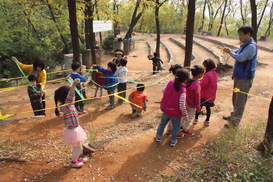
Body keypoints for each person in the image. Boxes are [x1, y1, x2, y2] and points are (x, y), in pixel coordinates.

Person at [222, 26, 258, 128]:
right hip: (239, 77)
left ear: (248, 34)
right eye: (239, 34)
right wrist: (230, 50)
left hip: (245, 78)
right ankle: (233, 116)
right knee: (236, 98)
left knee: (240, 101)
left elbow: (241, 58)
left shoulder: (251, 46)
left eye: (241, 34)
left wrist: (230, 52)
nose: (239, 37)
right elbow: (237, 52)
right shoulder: (244, 45)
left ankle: (235, 123)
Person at [54, 78, 87, 168]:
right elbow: (71, 95)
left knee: (77, 147)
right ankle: (73, 161)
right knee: (79, 147)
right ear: (67, 97)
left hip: (75, 129)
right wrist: (73, 85)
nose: (75, 95)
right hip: (73, 131)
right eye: (73, 94)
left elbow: (70, 97)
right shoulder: (66, 106)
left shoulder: (70, 105)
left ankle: (76, 158)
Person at [155, 68, 189, 147]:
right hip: (176, 113)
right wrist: (185, 115)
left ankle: (158, 137)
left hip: (166, 109)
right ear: (185, 80)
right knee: (176, 128)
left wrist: (169, 98)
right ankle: (173, 141)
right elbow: (182, 105)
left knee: (162, 123)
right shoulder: (183, 90)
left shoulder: (170, 82)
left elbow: (163, 90)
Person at [180, 65, 204, 135]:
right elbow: (197, 97)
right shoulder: (197, 85)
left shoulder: (187, 80)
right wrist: (198, 107)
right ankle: (185, 129)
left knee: (183, 115)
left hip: (184, 102)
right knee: (189, 117)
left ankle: (180, 126)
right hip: (191, 104)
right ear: (200, 75)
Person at [194, 59, 218, 126]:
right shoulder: (214, 72)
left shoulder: (207, 74)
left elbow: (202, 85)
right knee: (208, 108)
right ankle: (207, 120)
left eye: (204, 66)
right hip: (211, 94)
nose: (204, 67)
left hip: (205, 94)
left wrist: (197, 82)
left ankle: (196, 119)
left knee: (199, 107)